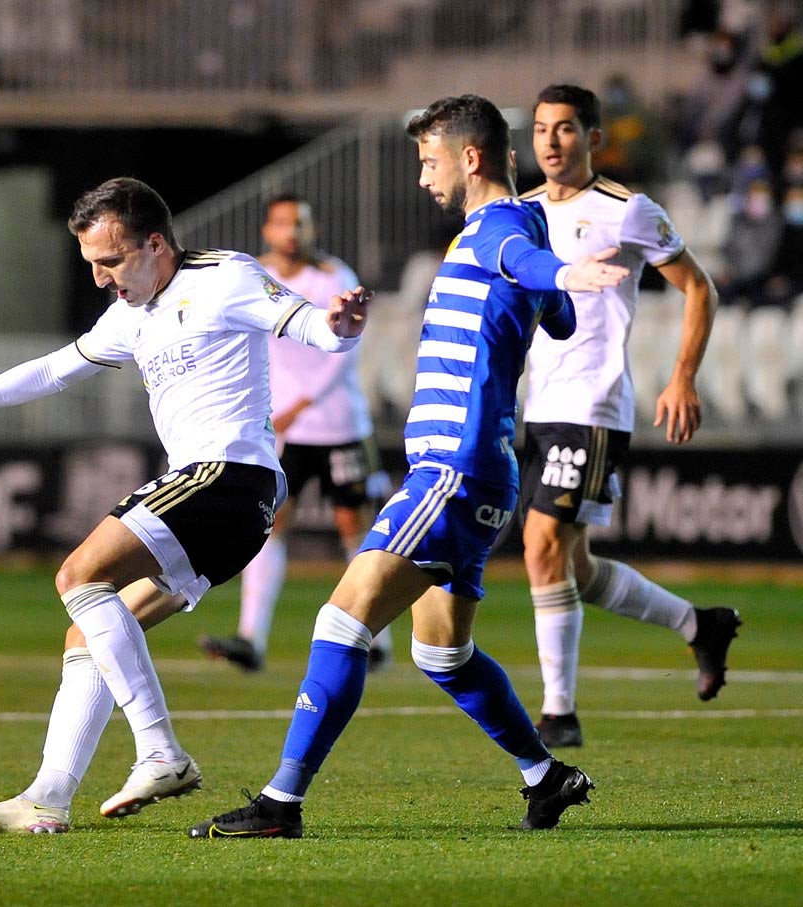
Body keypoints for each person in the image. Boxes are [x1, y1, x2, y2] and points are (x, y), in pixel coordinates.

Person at [189, 94, 629, 840]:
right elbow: (549, 308)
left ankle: (281, 802)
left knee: (342, 615)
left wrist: (555, 275)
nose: (422, 176)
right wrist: (554, 283)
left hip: (451, 469)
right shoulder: (508, 230)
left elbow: (524, 268)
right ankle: (545, 774)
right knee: (440, 649)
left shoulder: (497, 231)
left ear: (470, 158)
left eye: (429, 161)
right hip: (477, 467)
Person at [0, 177, 371, 834]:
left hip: (229, 475)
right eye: (91, 264)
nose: (100, 278)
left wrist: (338, 325)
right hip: (219, 499)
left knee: (76, 575)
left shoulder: (225, 276)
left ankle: (160, 751)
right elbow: (57, 368)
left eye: (109, 261)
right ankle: (47, 796)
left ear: (153, 243)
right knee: (86, 630)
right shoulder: (128, 313)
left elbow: (314, 326)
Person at [521, 84, 738, 750]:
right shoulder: (517, 213)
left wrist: (681, 376)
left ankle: (558, 711)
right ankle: (698, 624)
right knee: (574, 570)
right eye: (538, 129)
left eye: (563, 129)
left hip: (591, 401)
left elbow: (698, 285)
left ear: (592, 138)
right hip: (537, 403)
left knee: (539, 548)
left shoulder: (626, 210)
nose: (550, 142)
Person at [198, 193, 393, 673]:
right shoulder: (252, 275)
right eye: (282, 223)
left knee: (356, 529)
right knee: (270, 526)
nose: (291, 232)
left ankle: (377, 637)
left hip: (338, 423)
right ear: (267, 230)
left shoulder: (333, 277)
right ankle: (250, 638)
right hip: (281, 428)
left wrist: (297, 404)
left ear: (313, 230)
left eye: (299, 223)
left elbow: (345, 346)